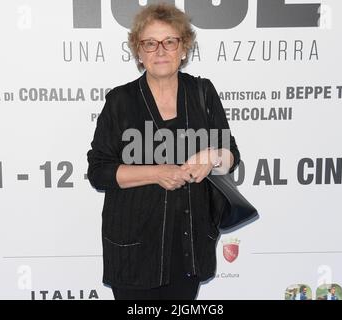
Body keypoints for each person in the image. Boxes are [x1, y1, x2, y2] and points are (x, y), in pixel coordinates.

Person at [87, 3, 240, 300]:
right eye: (150, 43)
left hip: (189, 245)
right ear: (138, 53)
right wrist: (157, 173)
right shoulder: (120, 101)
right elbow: (99, 171)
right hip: (134, 247)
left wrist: (212, 157)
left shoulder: (203, 92)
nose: (160, 51)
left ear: (183, 48)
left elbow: (231, 155)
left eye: (170, 41)